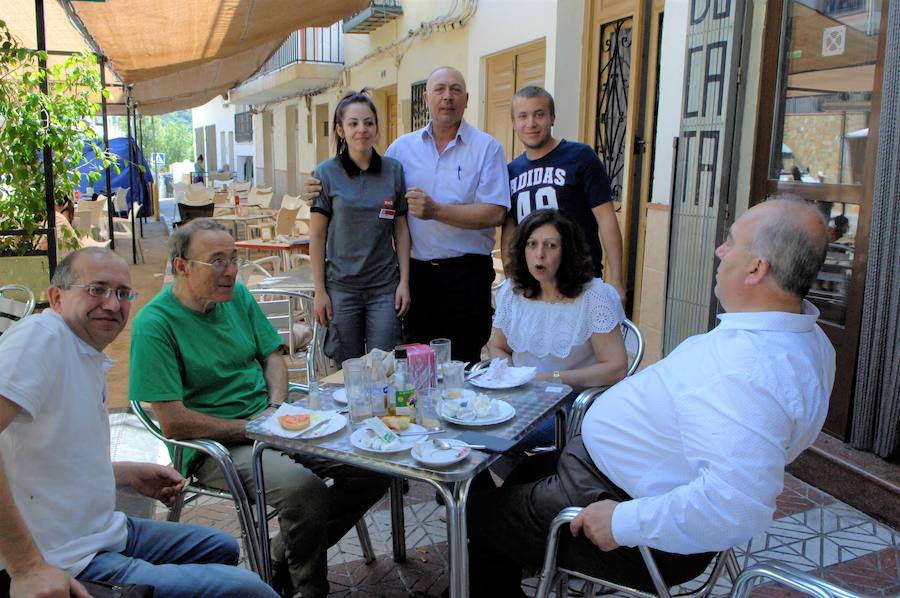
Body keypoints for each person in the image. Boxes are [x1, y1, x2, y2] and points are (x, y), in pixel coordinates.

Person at [460, 198, 836, 596]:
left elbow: (735, 506)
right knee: (514, 478)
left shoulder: (746, 368)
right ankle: (534, 562)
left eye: (730, 242)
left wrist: (623, 521)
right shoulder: (801, 335)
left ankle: (515, 559)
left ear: (757, 268)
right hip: (604, 471)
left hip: (617, 508)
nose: (719, 251)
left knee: (472, 516)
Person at [128, 219, 390, 598]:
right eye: (217, 261)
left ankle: (275, 557)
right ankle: (308, 590)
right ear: (181, 266)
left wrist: (276, 407)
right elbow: (173, 422)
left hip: (270, 420)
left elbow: (272, 356)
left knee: (372, 467)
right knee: (304, 490)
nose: (231, 271)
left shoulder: (237, 297)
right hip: (215, 444)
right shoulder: (155, 324)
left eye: (233, 258)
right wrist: (252, 428)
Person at [0, 247, 276, 598]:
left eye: (122, 293)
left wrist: (123, 473)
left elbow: (46, 455)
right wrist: (26, 568)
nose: (113, 305)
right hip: (67, 556)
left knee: (220, 547)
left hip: (102, 530)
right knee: (251, 591)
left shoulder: (84, 351)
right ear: (56, 297)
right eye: (96, 289)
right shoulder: (41, 339)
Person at [304, 66, 509, 364]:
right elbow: (361, 187)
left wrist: (436, 211)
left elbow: (496, 212)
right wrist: (312, 187)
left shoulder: (487, 148)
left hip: (466, 276)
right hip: (417, 277)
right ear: (426, 98)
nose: (447, 97)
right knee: (412, 366)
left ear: (467, 98)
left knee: (463, 362)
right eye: (439, 90)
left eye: (455, 90)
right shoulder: (402, 150)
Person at [488, 209, 627, 447]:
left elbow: (616, 369)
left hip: (573, 399)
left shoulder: (594, 296)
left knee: (498, 435)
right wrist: (512, 380)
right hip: (521, 396)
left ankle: (520, 480)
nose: (539, 255)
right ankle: (490, 482)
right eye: (531, 244)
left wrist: (552, 378)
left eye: (550, 246)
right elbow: (498, 347)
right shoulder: (513, 291)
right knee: (465, 423)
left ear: (567, 252)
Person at [310, 89, 411, 365]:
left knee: (385, 366)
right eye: (353, 123)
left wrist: (404, 282)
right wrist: (319, 290)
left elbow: (400, 230)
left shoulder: (394, 170)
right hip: (341, 289)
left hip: (384, 288)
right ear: (340, 130)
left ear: (377, 128)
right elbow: (317, 236)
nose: (362, 129)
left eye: (368, 122)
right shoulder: (325, 174)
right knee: (347, 369)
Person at [502, 86, 626, 302]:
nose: (530, 123)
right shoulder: (511, 171)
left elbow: (606, 218)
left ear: (552, 118)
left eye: (539, 114)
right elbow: (510, 229)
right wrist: (512, 279)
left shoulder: (580, 157)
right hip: (533, 287)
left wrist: (616, 280)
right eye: (523, 116)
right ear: (514, 123)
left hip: (579, 283)